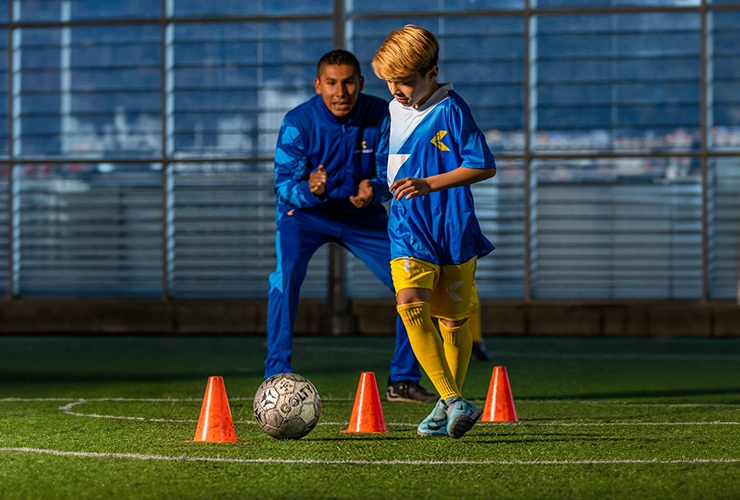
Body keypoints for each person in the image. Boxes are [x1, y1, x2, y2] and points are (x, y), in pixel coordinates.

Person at [265, 49, 437, 403]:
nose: (340, 92)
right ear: (318, 85)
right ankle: (276, 374)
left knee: (410, 280)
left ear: (360, 83)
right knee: (286, 275)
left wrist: (374, 189)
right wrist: (309, 189)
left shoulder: (382, 116)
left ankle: (402, 380)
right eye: (331, 83)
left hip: (363, 217)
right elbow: (283, 186)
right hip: (307, 216)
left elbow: (395, 175)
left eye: (347, 83)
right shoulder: (298, 122)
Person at [372, 25, 497, 438]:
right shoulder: (392, 109)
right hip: (408, 225)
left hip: (453, 225)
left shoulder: (451, 108)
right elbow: (394, 163)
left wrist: (428, 183)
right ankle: (452, 398)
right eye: (390, 81)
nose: (395, 90)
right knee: (408, 303)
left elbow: (483, 165)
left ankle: (449, 404)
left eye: (404, 81)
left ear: (432, 72)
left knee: (453, 322)